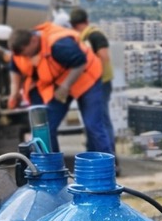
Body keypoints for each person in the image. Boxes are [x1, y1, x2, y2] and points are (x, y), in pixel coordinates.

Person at [8, 21, 108, 155]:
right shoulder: (20, 51)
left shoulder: (59, 45)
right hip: (61, 82)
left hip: (86, 78)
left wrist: (65, 86)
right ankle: (52, 168)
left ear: (33, 40)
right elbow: (15, 68)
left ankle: (108, 166)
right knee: (46, 126)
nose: (25, 57)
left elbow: (80, 62)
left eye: (26, 53)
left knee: (93, 125)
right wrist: (15, 93)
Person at [68, 7, 116, 157]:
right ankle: (94, 153)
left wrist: (91, 74)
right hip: (94, 84)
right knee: (94, 120)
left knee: (100, 120)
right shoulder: (85, 37)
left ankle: (109, 156)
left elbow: (104, 56)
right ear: (86, 21)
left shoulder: (94, 35)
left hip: (100, 83)